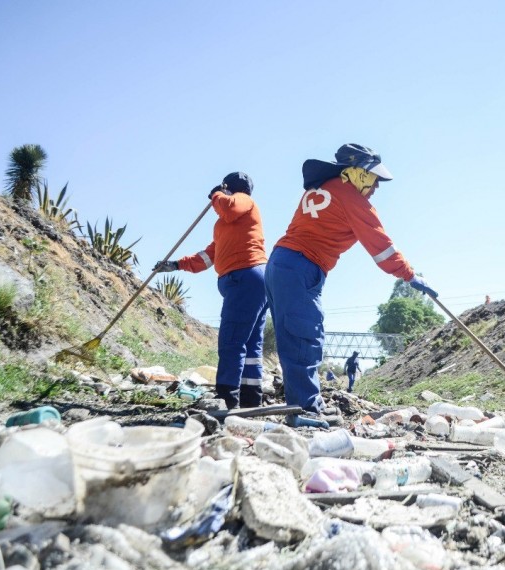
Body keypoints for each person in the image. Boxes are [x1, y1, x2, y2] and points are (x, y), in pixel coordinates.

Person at [265, 143, 437, 423]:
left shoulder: (322, 188)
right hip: (301, 266)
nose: (376, 186)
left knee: (294, 336)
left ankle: (307, 405)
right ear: (357, 172)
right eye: (373, 178)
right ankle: (304, 410)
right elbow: (381, 248)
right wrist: (410, 275)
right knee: (305, 335)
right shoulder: (352, 198)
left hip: (282, 263)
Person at [154, 172, 268, 411]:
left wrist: (217, 193)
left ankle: (227, 398)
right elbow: (209, 257)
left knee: (232, 341)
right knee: (249, 344)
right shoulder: (228, 224)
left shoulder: (243, 201)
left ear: (230, 189)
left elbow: (228, 207)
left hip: (245, 277)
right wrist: (176, 265)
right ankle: (250, 399)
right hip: (252, 281)